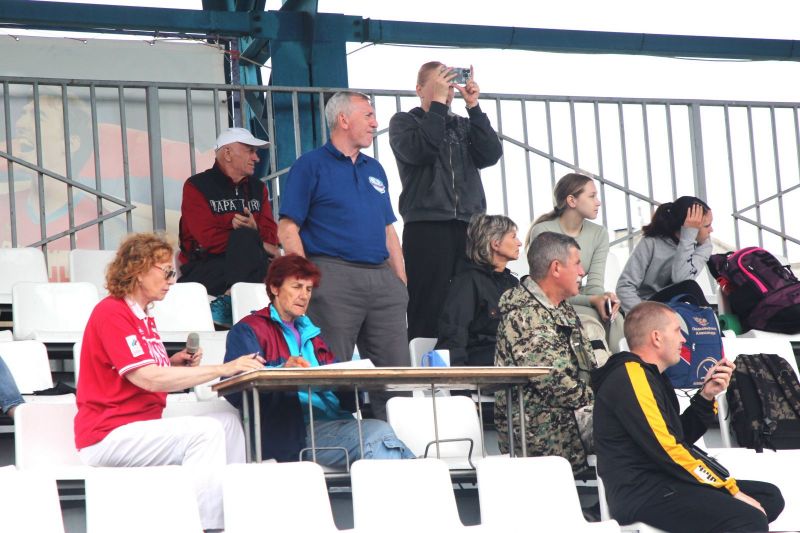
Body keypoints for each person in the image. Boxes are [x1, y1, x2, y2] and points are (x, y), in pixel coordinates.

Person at [74, 232, 266, 532]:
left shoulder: (142, 315)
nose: (171, 281)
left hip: (137, 426)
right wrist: (224, 367)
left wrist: (173, 362)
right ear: (139, 271)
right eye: (166, 272)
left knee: (229, 422)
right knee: (205, 433)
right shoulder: (112, 312)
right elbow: (148, 378)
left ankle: (235, 519)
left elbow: (146, 369)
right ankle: (207, 526)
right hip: (107, 434)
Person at [592, 301, 784, 532]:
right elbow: (668, 448)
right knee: (750, 518)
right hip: (643, 492)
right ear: (656, 337)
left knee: (769, 497)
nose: (683, 339)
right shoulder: (631, 376)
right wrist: (729, 488)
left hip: (668, 482)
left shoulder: (652, 376)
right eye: (677, 330)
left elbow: (679, 437)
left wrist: (706, 396)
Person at [278, 91, 409, 420]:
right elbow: (288, 228)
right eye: (368, 115)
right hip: (333, 275)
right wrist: (307, 278)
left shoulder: (375, 168)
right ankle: (333, 442)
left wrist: (400, 283)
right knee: (332, 373)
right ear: (343, 119)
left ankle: (395, 444)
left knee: (396, 380)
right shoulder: (310, 165)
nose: (375, 123)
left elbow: (389, 231)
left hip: (382, 279)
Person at [224, 254, 414, 465]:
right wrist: (281, 370)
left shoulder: (313, 335)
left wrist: (353, 382)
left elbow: (350, 401)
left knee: (382, 436)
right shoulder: (248, 330)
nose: (304, 296)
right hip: (291, 433)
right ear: (275, 288)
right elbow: (235, 391)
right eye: (297, 287)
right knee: (379, 434)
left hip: (335, 423)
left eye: (308, 289)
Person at [389, 62, 503, 341]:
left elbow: (491, 154)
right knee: (428, 303)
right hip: (427, 224)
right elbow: (422, 150)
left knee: (471, 300)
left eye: (450, 86)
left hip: (469, 225)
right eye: (441, 85)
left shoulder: (463, 125)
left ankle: (467, 358)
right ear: (419, 89)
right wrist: (438, 106)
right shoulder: (405, 122)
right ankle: (425, 362)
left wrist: (474, 107)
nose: (448, 92)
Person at [494, 231, 595, 473]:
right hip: (542, 431)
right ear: (556, 268)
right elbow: (554, 381)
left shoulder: (560, 307)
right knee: (635, 427)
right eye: (577, 263)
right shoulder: (524, 313)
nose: (582, 272)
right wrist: (605, 400)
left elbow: (588, 365)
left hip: (572, 418)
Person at [178, 127, 280, 326]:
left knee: (287, 269)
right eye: (250, 151)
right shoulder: (197, 186)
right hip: (208, 266)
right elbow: (208, 239)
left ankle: (229, 299)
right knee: (245, 237)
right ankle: (237, 306)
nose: (256, 158)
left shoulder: (258, 188)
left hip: (254, 264)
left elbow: (271, 236)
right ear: (227, 153)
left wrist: (255, 233)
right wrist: (250, 238)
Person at [527, 173, 623, 354]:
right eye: (592, 196)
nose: (598, 202)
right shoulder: (543, 231)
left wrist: (604, 299)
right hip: (553, 302)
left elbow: (595, 286)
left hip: (581, 298)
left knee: (614, 316)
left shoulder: (599, 233)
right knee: (596, 318)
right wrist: (593, 300)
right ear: (572, 200)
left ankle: (621, 366)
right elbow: (548, 290)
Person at [436, 213, 520, 366]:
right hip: (482, 366)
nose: (519, 243)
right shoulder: (467, 282)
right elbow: (454, 333)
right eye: (513, 237)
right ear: (495, 244)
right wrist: (459, 377)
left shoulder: (513, 283)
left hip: (514, 363)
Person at [616, 196, 714, 313]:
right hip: (647, 306)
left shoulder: (704, 246)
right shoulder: (651, 242)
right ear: (687, 227)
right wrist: (643, 315)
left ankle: (711, 322)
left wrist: (687, 239)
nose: (711, 230)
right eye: (707, 226)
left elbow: (682, 279)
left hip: (676, 307)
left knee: (690, 287)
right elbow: (625, 286)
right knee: (690, 287)